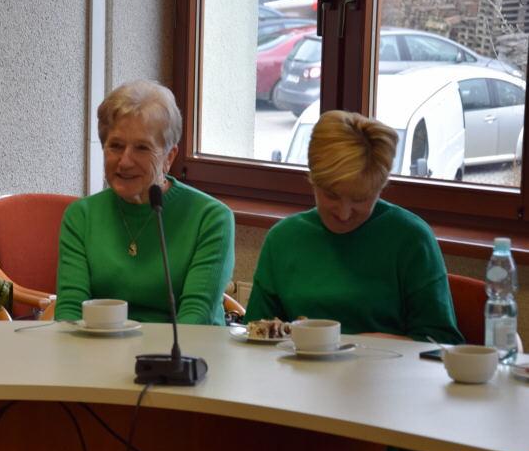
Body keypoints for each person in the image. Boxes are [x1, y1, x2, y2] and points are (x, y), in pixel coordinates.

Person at [245, 110, 462, 344]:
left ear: (380, 188)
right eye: (331, 195)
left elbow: (441, 343)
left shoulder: (411, 239)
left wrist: (358, 345)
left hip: (386, 367)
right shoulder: (283, 239)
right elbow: (255, 333)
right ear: (312, 180)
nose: (344, 213)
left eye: (360, 199)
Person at [55, 80, 234, 325]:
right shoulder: (81, 216)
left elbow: (195, 319)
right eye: (116, 146)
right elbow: (69, 314)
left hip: (183, 347)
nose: (125, 161)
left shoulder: (210, 218)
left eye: (142, 148)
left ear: (169, 157)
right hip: (98, 346)